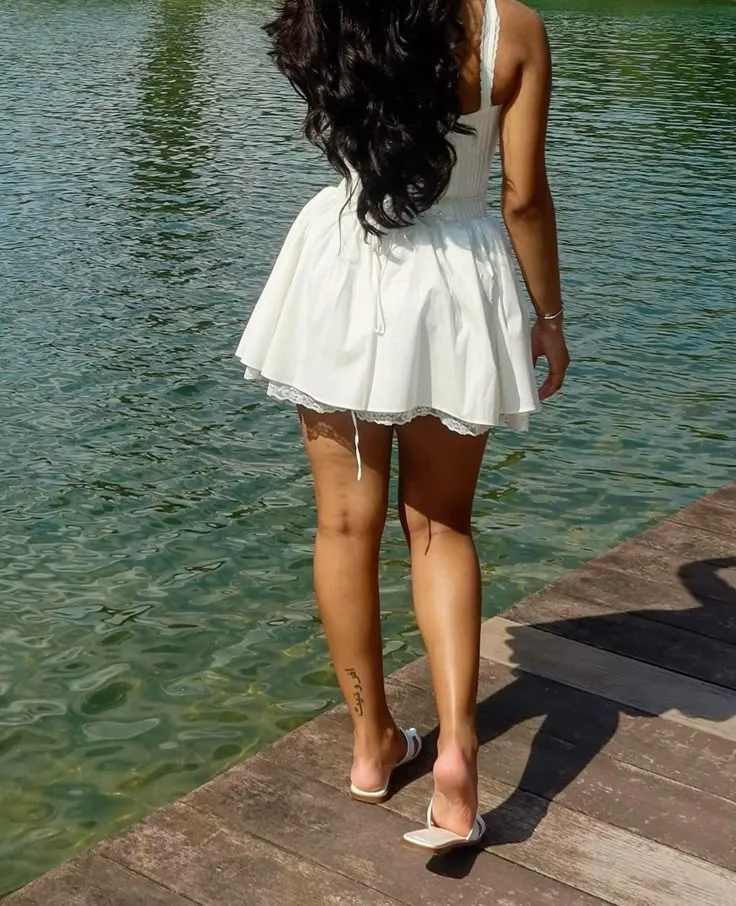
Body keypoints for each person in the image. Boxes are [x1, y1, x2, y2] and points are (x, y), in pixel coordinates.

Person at [235, 0, 569, 853]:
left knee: (344, 526)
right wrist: (548, 317)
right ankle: (457, 755)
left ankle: (371, 745)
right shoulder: (512, 28)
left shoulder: (331, 13)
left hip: (345, 263)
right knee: (441, 526)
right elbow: (524, 198)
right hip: (455, 276)